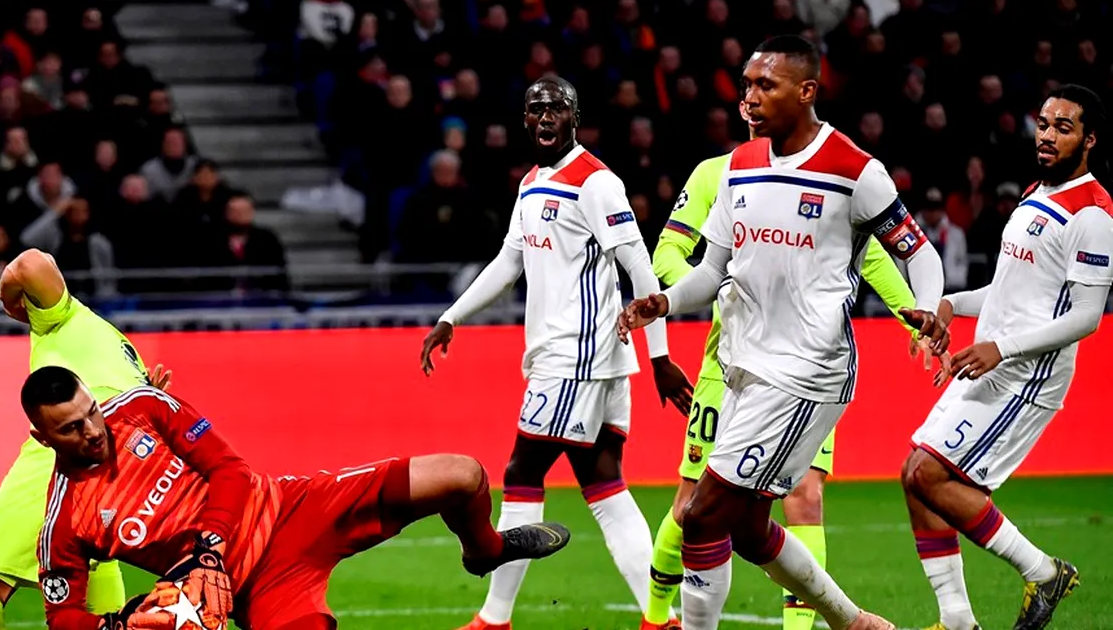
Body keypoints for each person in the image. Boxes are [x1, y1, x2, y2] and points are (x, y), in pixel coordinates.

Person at [621, 35, 949, 630]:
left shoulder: (853, 169)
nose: (749, 96)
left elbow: (917, 254)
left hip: (805, 373)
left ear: (806, 91)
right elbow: (712, 271)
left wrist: (924, 308)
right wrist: (662, 302)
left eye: (764, 85)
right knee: (746, 528)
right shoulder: (737, 168)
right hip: (741, 368)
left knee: (701, 514)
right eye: (745, 84)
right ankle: (854, 622)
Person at [420, 76, 692, 630]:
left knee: (523, 469)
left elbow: (641, 270)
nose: (545, 118)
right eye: (535, 109)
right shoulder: (533, 182)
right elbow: (507, 263)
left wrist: (661, 356)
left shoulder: (596, 183)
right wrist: (452, 317)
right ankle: (661, 618)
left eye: (556, 109)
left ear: (575, 117)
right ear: (525, 120)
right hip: (577, 359)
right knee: (606, 487)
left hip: (579, 357)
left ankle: (493, 620)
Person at [27, 366, 571, 630]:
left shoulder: (143, 407)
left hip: (295, 508)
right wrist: (115, 626)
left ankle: (483, 550)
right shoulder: (65, 522)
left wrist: (208, 545)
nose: (93, 431)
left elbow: (229, 470)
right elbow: (62, 617)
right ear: (43, 438)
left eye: (91, 413)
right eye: (71, 429)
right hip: (251, 588)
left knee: (463, 475)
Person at [902, 84, 1110, 630]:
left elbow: (1087, 316)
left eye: (1063, 127)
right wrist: (950, 304)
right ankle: (957, 621)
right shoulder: (1037, 192)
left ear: (1089, 140)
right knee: (913, 473)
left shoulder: (1093, 214)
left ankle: (1043, 572)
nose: (1047, 135)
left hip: (1027, 377)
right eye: (1043, 123)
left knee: (930, 473)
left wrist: (1002, 348)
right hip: (992, 363)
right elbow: (1008, 290)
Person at [0, 249, 170, 630]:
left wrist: (11, 303)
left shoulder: (62, 316)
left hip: (63, 457)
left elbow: (29, 263)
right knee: (96, 598)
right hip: (120, 472)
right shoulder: (123, 350)